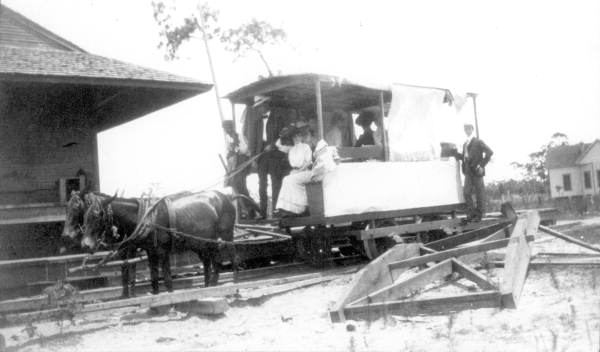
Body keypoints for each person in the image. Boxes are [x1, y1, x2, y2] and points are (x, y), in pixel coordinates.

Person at [245, 96, 291, 218]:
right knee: (262, 184)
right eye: (258, 107)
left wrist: (274, 145)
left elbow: (284, 136)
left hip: (275, 155)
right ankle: (263, 213)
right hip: (261, 156)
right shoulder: (257, 122)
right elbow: (253, 141)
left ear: (266, 104)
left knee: (276, 183)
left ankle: (276, 212)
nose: (259, 109)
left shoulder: (278, 119)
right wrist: (254, 158)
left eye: (261, 106)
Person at [453, 122, 493, 222]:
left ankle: (479, 214)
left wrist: (482, 165)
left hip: (477, 170)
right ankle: (472, 213)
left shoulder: (478, 142)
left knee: (479, 193)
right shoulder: (465, 144)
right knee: (466, 192)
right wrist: (454, 153)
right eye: (465, 129)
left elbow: (490, 152)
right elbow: (464, 157)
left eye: (469, 129)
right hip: (468, 172)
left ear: (472, 129)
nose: (467, 131)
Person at [222, 120, 256, 219]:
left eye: (229, 128)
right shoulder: (229, 139)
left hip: (242, 162)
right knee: (235, 185)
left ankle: (250, 209)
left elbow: (245, 150)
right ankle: (245, 210)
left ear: (232, 128)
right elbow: (228, 153)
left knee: (240, 184)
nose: (227, 131)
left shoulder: (239, 136)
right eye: (226, 129)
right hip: (234, 164)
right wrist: (231, 151)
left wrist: (236, 148)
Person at [276, 127, 313, 216]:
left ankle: (300, 208)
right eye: (294, 137)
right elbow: (278, 144)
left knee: (290, 180)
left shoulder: (306, 147)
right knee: (286, 179)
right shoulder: (291, 148)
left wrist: (300, 170)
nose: (296, 139)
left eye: (298, 136)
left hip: (305, 171)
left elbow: (308, 162)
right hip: (295, 171)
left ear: (301, 137)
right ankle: (288, 208)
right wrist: (283, 134)